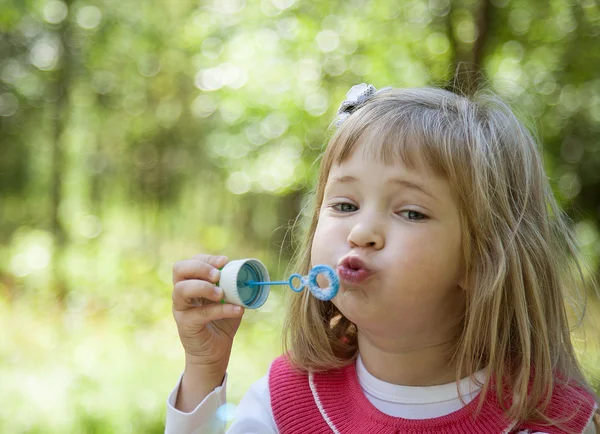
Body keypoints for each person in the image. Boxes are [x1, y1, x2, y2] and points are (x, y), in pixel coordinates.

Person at [165, 83, 600, 433]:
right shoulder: (287, 403)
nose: (361, 232)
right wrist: (204, 370)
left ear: (481, 260)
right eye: (344, 205)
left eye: (410, 212)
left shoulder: (550, 421)